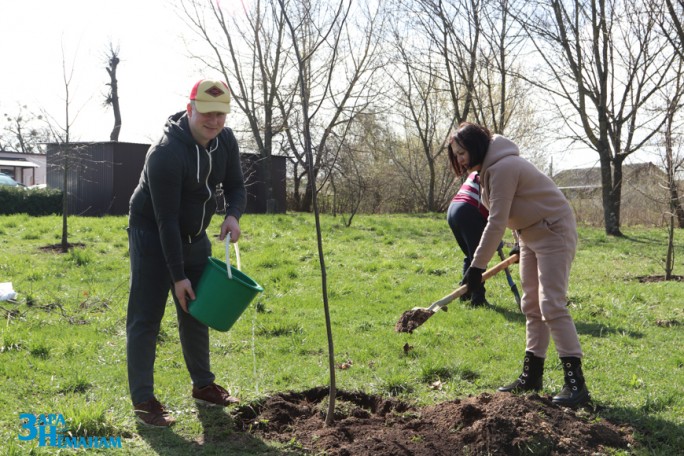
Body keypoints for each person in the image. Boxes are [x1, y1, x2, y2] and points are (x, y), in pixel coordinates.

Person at [126, 79, 247, 427]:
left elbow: (236, 185)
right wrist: (178, 276)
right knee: (146, 318)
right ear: (190, 107)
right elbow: (165, 220)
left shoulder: (225, 140)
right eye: (207, 113)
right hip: (152, 234)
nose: (214, 121)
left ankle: (203, 386)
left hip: (195, 235)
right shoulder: (165, 153)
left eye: (221, 114)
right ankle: (144, 400)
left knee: (197, 310)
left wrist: (233, 215)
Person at [447, 122, 591, 407]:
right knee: (531, 305)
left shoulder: (503, 167)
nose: (460, 159)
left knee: (551, 304)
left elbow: (496, 221)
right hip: (529, 236)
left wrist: (476, 268)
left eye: (462, 152)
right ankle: (532, 375)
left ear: (476, 147)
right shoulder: (487, 170)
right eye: (456, 154)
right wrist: (518, 238)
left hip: (553, 232)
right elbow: (519, 207)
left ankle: (576, 385)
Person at [447, 170, 490, 306]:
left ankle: (464, 293)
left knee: (471, 256)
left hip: (454, 209)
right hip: (468, 210)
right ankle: (478, 300)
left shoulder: (480, 168)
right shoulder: (494, 172)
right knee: (479, 258)